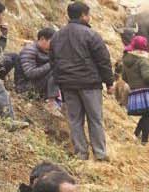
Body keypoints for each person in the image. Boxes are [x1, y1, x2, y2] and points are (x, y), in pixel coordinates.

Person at [52, 3, 114, 160]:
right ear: (83, 16)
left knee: (74, 120)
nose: (89, 17)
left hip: (68, 85)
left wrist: (60, 82)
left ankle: (81, 153)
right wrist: (109, 82)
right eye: (88, 14)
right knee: (95, 119)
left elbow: (53, 62)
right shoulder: (90, 34)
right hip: (89, 84)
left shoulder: (57, 36)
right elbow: (103, 60)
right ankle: (100, 154)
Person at [120, 36, 149, 145]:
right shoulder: (142, 60)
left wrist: (133, 83)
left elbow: (124, 77)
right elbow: (147, 76)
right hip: (145, 92)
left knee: (147, 114)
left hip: (134, 92)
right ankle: (144, 141)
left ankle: (136, 133)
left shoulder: (126, 59)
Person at [16, 27, 58, 104]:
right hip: (24, 88)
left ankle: (59, 101)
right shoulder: (29, 50)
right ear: (42, 39)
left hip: (37, 86)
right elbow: (30, 73)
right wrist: (51, 64)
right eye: (52, 42)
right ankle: (51, 103)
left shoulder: (48, 51)